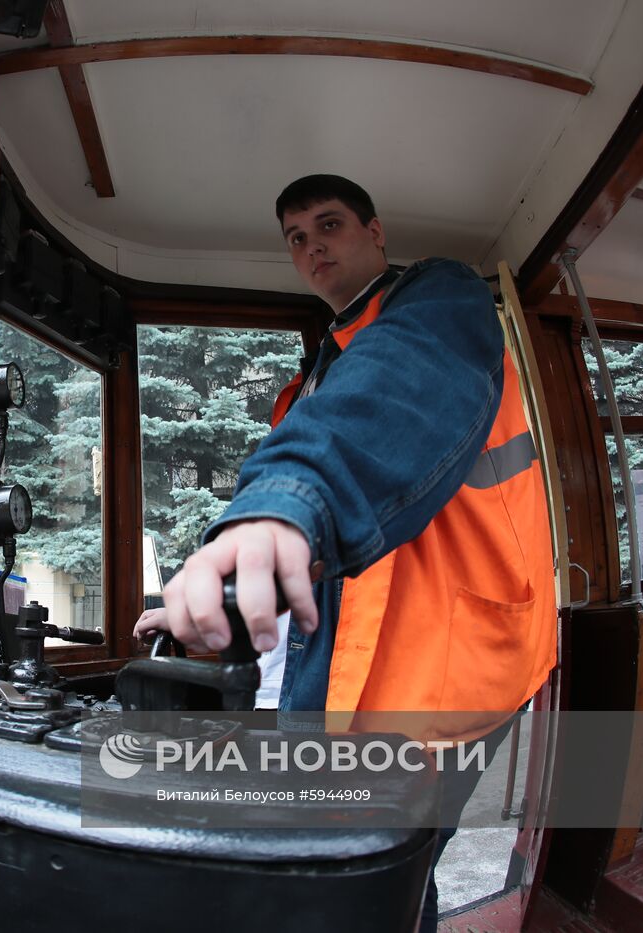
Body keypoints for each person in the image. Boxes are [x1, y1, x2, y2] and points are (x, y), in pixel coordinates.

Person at [155, 175, 557, 931]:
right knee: (346, 880)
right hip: (333, 677)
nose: (313, 247)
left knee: (380, 880)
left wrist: (290, 495)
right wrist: (227, 598)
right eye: (297, 238)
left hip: (440, 668)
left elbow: (386, 399)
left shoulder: (440, 301)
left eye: (329, 224)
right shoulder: (310, 384)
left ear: (375, 232)